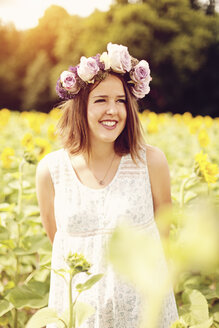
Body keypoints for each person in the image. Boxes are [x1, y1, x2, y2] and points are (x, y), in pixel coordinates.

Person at [36, 42, 179, 327]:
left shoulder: (151, 162)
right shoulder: (50, 171)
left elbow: (162, 235)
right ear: (81, 108)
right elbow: (59, 240)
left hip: (140, 311)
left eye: (121, 100)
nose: (113, 110)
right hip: (81, 314)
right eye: (101, 100)